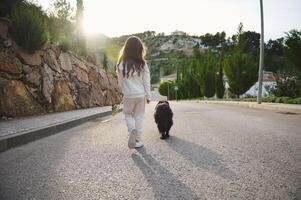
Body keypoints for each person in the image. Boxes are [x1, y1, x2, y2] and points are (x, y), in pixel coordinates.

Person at [116, 36, 151, 149]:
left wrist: (124, 92)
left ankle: (132, 130)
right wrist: (148, 95)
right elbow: (147, 81)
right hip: (140, 95)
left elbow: (120, 83)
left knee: (127, 114)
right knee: (139, 116)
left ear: (126, 49)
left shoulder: (121, 64)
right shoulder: (143, 63)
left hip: (128, 96)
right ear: (139, 49)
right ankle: (137, 140)